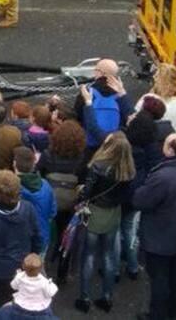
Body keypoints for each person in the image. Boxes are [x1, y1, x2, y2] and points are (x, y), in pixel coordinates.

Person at [131, 133, 176, 320]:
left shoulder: (163, 176)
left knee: (159, 279)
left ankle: (157, 315)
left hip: (159, 236)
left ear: (170, 150)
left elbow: (140, 200)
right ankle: (174, 310)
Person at [74, 131, 132, 312]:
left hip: (95, 213)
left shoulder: (98, 165)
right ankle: (107, 297)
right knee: (108, 256)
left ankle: (84, 298)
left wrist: (81, 190)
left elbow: (86, 193)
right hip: (113, 213)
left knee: (89, 255)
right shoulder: (128, 169)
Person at [0, 169, 44, 307]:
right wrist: (34, 254)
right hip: (23, 266)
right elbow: (37, 237)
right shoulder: (28, 209)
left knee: (0, 306)